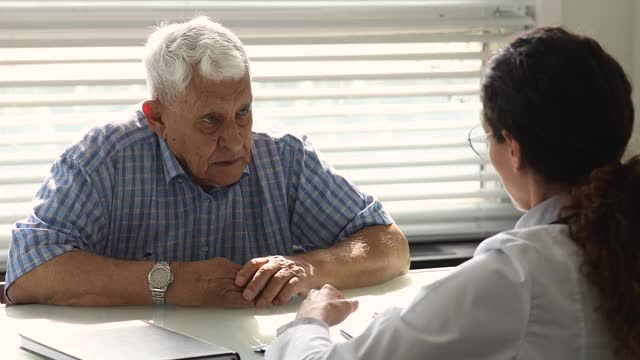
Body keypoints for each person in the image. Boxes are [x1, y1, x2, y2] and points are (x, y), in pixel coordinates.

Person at [266, 27, 640, 359]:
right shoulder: (614, 239)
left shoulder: (517, 274)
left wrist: (310, 323)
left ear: (513, 148)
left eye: (488, 135)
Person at [4, 16, 410, 307]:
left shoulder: (285, 155)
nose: (234, 141)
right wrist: (171, 281)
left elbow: (390, 247)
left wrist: (305, 267)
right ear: (158, 117)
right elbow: (27, 272)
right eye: (210, 120)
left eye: (243, 113)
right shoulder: (103, 157)